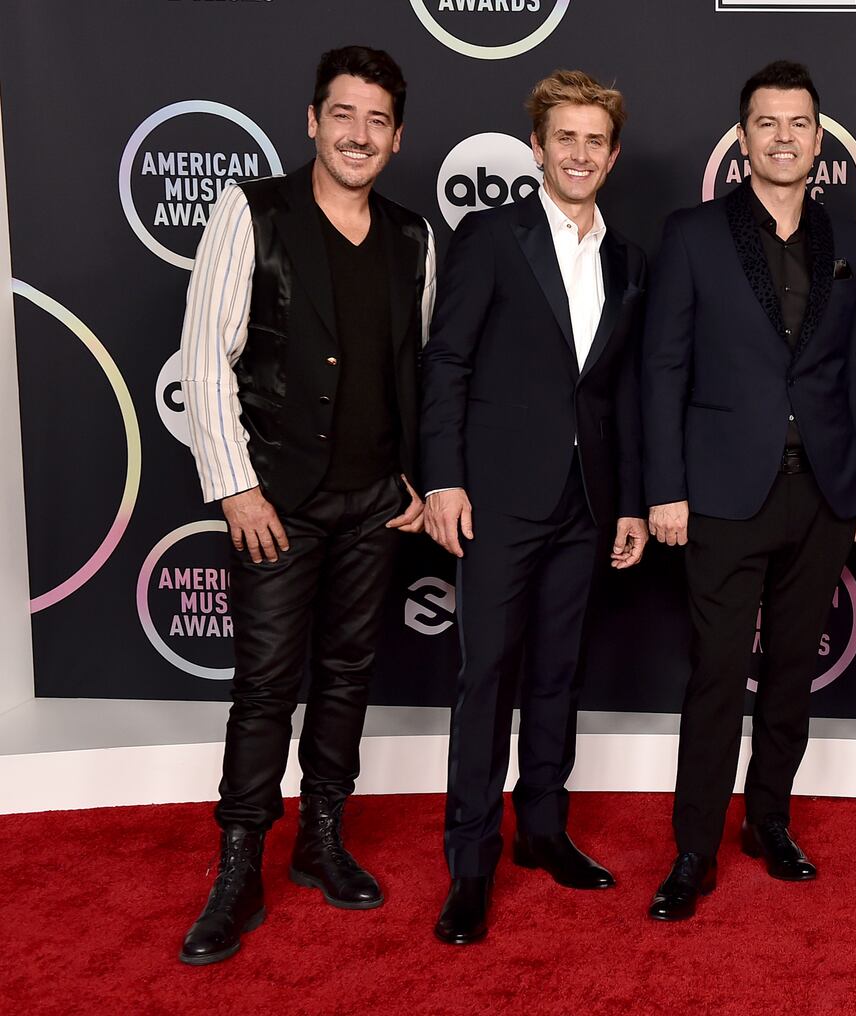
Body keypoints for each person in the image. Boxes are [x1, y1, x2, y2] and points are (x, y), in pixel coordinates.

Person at [176, 45, 435, 965]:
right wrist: (236, 486)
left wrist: (417, 475)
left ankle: (322, 841)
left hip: (375, 503)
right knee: (265, 687)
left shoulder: (414, 237)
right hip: (276, 502)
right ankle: (239, 864)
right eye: (343, 114)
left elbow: (421, 367)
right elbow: (206, 356)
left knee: (348, 673)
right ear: (313, 122)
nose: (358, 134)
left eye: (377, 120)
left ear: (397, 138)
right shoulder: (252, 213)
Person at [640, 60, 856, 921]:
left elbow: (854, 375)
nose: (785, 138)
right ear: (743, 139)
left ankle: (768, 823)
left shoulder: (851, 242)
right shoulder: (693, 235)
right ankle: (694, 850)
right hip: (717, 495)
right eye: (767, 123)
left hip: (820, 491)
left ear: (821, 139)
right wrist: (663, 487)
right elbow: (660, 368)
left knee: (789, 674)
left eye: (799, 123)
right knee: (714, 677)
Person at [419, 70, 648, 945]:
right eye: (566, 138)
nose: (580, 153)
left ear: (612, 154)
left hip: (586, 505)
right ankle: (470, 865)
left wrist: (627, 501)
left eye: (595, 140)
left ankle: (544, 832)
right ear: (538, 149)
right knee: (487, 683)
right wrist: (443, 478)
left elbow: (618, 390)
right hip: (498, 501)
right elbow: (447, 363)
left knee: (558, 675)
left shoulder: (628, 258)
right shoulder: (490, 237)